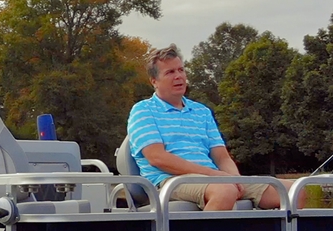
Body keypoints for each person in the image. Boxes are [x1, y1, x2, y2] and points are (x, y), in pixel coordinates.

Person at [127, 44, 301, 211]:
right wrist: (215, 175)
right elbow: (158, 158)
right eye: (170, 72)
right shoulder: (143, 111)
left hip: (213, 179)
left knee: (296, 191)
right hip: (170, 181)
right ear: (154, 81)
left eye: (181, 70)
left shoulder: (201, 112)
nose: (179, 76)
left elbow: (222, 157)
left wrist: (235, 179)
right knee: (225, 190)